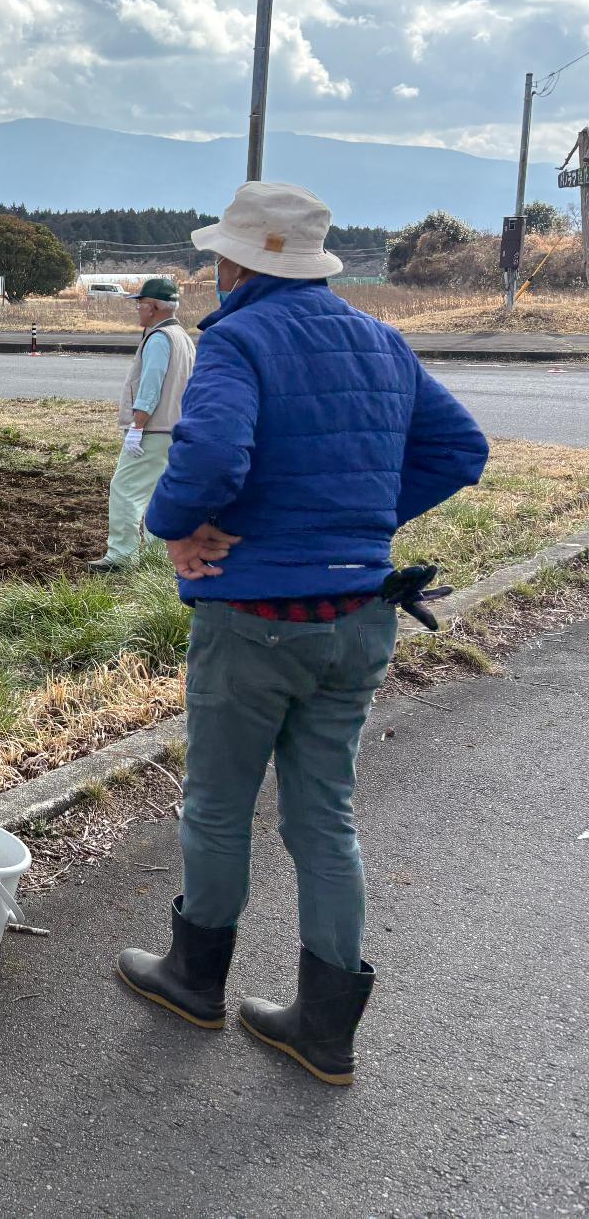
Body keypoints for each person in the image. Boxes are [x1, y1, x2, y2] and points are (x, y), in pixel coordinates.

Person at [117, 181, 488, 1087]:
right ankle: (324, 1033)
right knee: (325, 816)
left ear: (238, 262)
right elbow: (461, 449)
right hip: (361, 615)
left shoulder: (239, 337)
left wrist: (173, 527)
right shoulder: (381, 339)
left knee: (217, 804)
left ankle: (194, 978)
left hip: (255, 623)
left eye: (219, 257)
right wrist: (357, 524)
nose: (214, 271)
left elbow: (210, 457)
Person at [86, 277, 195, 572]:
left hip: (154, 428)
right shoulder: (182, 336)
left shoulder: (159, 338)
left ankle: (121, 556)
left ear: (156, 307)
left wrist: (138, 425)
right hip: (176, 428)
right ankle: (158, 556)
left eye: (142, 303)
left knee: (125, 488)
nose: (138, 308)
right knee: (160, 492)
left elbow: (151, 385)